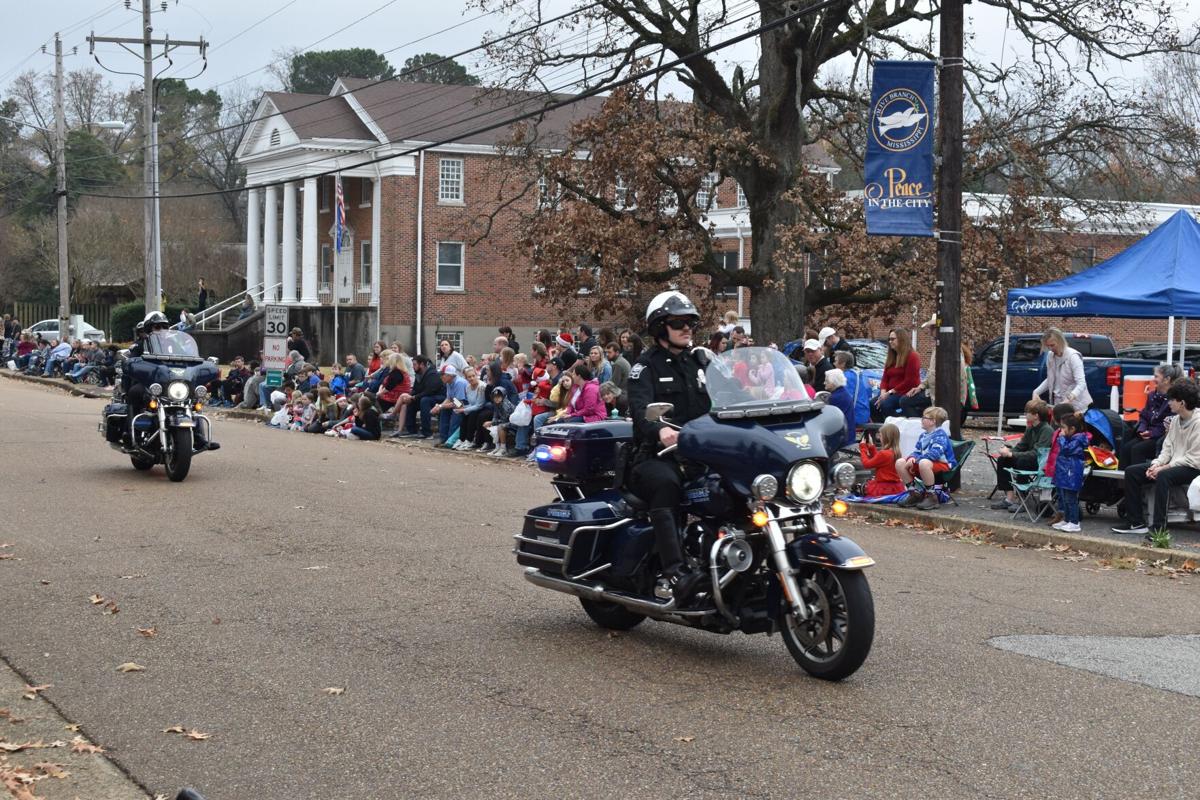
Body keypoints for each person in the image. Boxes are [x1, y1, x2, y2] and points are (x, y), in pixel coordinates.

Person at [627, 290, 711, 603]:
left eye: (690, 321)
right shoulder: (645, 367)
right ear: (661, 326)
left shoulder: (698, 363)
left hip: (700, 452)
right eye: (679, 322)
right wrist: (660, 428)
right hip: (657, 456)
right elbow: (639, 410)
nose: (687, 327)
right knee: (667, 484)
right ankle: (675, 570)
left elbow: (727, 398)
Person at [1113, 380, 1200, 538]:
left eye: (1172, 400)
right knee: (1132, 472)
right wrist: (1156, 464)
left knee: (1164, 476)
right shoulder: (1175, 421)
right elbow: (1167, 448)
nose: (1169, 403)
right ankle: (1136, 522)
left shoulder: (1198, 422)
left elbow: (1194, 457)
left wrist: (1164, 468)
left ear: (1182, 403)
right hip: (1174, 464)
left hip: (1193, 466)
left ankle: (1159, 528)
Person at [990, 400, 1055, 511]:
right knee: (1002, 460)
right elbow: (1021, 446)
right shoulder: (1031, 428)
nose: (1025, 415)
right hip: (1029, 458)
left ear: (1036, 416)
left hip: (1040, 463)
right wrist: (1008, 452)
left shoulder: (1047, 430)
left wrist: (1012, 454)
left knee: (1022, 462)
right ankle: (1009, 498)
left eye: (1027, 412)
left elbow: (1037, 454)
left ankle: (1023, 500)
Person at [1121, 363, 1182, 468]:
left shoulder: (1174, 400)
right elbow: (1144, 416)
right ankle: (1120, 481)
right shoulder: (1151, 395)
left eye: (1156, 376)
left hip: (1161, 437)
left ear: (1166, 379)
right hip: (1147, 433)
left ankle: (1140, 480)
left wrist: (1151, 433)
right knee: (1126, 448)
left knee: (1137, 449)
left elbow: (1169, 423)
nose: (1153, 379)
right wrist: (1142, 430)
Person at [896, 406, 956, 510]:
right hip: (927, 464)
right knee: (900, 462)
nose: (922, 419)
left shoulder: (940, 436)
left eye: (925, 418)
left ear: (933, 421)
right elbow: (917, 451)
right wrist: (912, 458)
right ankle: (914, 493)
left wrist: (917, 461)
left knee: (924, 462)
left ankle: (931, 496)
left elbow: (935, 454)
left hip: (943, 465)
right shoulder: (923, 435)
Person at [1032, 327, 1091, 412]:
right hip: (1058, 404)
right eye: (1048, 346)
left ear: (1060, 341)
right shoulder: (1050, 356)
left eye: (1052, 345)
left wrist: (1069, 399)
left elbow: (1081, 383)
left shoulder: (1073, 357)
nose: (1051, 348)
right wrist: (1036, 392)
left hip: (1077, 407)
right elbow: (1051, 379)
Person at [873, 328, 922, 421]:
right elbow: (885, 378)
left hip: (904, 392)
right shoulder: (892, 356)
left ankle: (896, 428)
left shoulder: (912, 356)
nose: (890, 341)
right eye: (889, 339)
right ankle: (879, 432)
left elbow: (910, 381)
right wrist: (883, 392)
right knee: (873, 404)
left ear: (901, 339)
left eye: (893, 339)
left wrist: (890, 392)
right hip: (890, 393)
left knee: (885, 405)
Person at [1052, 413, 1089, 532]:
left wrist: (1062, 438)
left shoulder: (1078, 439)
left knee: (1071, 499)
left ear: (1072, 429)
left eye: (1063, 427)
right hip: (1065, 472)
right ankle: (1067, 519)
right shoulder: (1071, 438)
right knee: (1064, 497)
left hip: (1071, 472)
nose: (1060, 430)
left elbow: (1067, 450)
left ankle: (1074, 522)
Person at [859, 423, 906, 497]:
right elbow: (879, 461)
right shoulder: (896, 452)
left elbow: (867, 464)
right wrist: (871, 447)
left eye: (880, 436)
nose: (879, 438)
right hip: (895, 487)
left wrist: (863, 448)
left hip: (883, 488)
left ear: (886, 437)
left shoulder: (884, 453)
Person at [432, 364, 469, 447]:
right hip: (457, 403)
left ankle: (451, 440)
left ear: (450, 375)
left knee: (456, 413)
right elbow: (449, 398)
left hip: (465, 406)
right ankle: (443, 438)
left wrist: (441, 406)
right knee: (444, 410)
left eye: (442, 375)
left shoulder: (459, 383)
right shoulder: (449, 382)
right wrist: (439, 406)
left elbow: (459, 404)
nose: (441, 377)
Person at [833, 350, 870, 430]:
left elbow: (844, 400)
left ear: (843, 364)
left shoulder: (846, 378)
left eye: (835, 361)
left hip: (855, 416)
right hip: (863, 413)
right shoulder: (855, 374)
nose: (834, 364)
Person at [823, 368, 853, 452]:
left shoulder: (835, 398)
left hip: (842, 439)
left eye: (826, 381)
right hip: (848, 435)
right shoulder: (843, 393)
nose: (824, 383)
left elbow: (827, 420)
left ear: (833, 383)